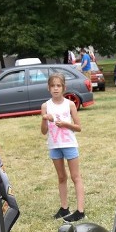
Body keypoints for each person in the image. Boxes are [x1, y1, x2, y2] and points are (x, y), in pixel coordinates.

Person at [41, 72, 85, 223]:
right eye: (53, 86)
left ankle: (80, 210)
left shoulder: (70, 104)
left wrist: (66, 124)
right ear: (48, 88)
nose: (55, 89)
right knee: (61, 177)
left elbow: (78, 127)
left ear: (63, 88)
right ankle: (64, 207)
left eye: (58, 86)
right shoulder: (46, 106)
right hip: (54, 146)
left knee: (75, 176)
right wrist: (44, 119)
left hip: (69, 144)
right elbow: (43, 131)